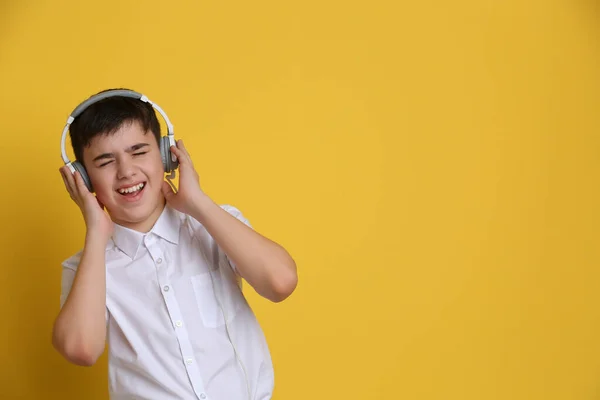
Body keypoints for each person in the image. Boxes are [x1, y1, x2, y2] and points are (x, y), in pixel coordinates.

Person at [52, 88, 298, 400]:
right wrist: (95, 233)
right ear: (82, 180)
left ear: (167, 155)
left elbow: (281, 282)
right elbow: (81, 349)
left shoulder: (214, 226)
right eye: (105, 161)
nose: (126, 171)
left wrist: (198, 203)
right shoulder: (86, 267)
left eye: (139, 152)